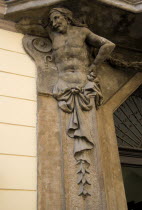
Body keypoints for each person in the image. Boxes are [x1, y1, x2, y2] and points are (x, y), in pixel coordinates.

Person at [47, 8, 115, 197]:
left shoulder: (83, 32)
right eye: (51, 19)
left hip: (83, 83)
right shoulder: (51, 34)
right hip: (64, 87)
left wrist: (94, 66)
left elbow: (108, 45)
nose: (54, 23)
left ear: (68, 18)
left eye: (57, 18)